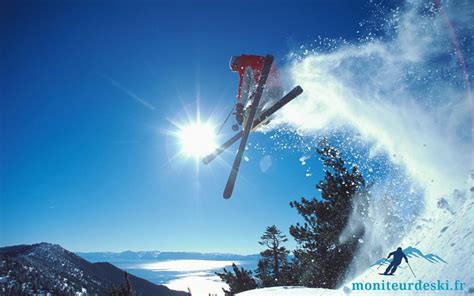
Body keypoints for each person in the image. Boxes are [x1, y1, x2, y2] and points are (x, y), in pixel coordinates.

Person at [229, 54, 283, 130]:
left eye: (235, 69)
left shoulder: (244, 64)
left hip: (265, 88)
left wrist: (240, 107)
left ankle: (252, 115)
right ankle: (265, 117)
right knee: (269, 107)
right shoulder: (252, 59)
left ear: (236, 63)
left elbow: (244, 87)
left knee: (252, 103)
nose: (237, 71)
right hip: (278, 89)